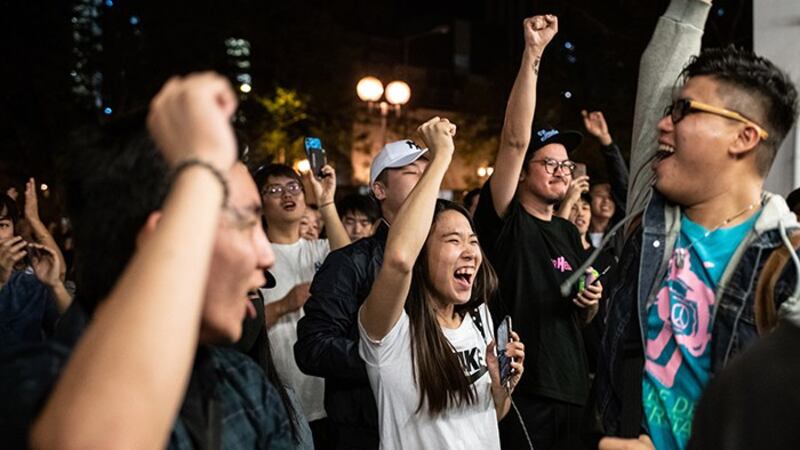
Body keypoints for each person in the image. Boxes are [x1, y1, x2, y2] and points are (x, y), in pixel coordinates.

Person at [0, 73, 294, 449]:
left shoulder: (244, 386)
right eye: (245, 223)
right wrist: (200, 168)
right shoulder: (30, 390)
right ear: (163, 238)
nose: (266, 257)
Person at [594, 0, 799, 448]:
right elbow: (660, 65)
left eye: (684, 111)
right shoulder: (650, 224)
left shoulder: (788, 266)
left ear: (745, 136)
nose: (663, 124)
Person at [472, 14, 603, 450]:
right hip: (527, 389)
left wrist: (590, 300)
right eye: (548, 163)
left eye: (565, 165)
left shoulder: (568, 233)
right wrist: (534, 53)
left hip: (575, 389)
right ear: (523, 174)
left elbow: (582, 312)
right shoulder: (506, 219)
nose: (560, 171)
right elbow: (513, 139)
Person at [359, 116, 525, 450]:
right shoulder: (388, 330)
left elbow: (493, 415)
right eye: (452, 240)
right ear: (421, 251)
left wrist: (500, 386)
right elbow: (399, 259)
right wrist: (440, 157)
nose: (469, 253)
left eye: (473, 241)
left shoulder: (480, 319)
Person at [294, 139, 430, 450]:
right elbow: (312, 347)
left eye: (429, 171)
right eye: (412, 172)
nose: (425, 179)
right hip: (367, 430)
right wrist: (383, 358)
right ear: (379, 190)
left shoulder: (441, 257)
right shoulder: (349, 262)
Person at [256, 162, 350, 447]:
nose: (288, 194)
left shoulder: (319, 249)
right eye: (274, 189)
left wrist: (326, 201)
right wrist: (285, 304)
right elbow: (240, 326)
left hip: (328, 397)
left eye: (293, 187)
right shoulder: (255, 255)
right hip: (281, 399)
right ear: (258, 204)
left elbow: (349, 261)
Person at [0, 180, 72, 346]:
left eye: (3, 225)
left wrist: (55, 285)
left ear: (13, 231)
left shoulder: (29, 281)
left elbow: (75, 331)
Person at [579, 110, 629, 252]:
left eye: (611, 198)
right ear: (588, 200)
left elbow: (622, 184)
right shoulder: (577, 232)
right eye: (601, 195)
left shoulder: (621, 231)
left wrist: (605, 139)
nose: (606, 201)